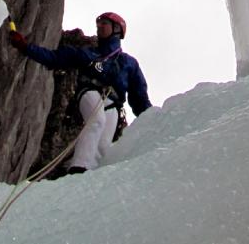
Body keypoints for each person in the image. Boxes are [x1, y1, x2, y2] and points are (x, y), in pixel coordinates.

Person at [8, 11, 152, 173]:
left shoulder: (129, 64)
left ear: (117, 29)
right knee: (96, 121)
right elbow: (54, 58)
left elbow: (139, 98)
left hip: (113, 104)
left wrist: (154, 120)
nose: (99, 27)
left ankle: (88, 177)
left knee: (103, 146)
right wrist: (25, 47)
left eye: (104, 24)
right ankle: (79, 167)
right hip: (90, 91)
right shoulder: (87, 53)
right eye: (99, 24)